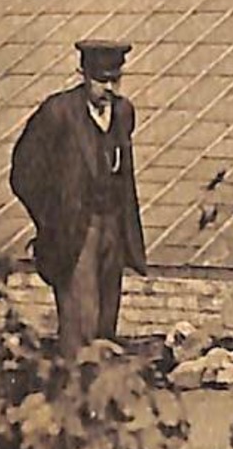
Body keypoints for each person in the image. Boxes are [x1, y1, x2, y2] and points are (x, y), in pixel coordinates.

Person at [10, 41, 148, 358]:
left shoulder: (124, 112)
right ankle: (75, 393)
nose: (110, 88)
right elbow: (23, 173)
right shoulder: (58, 113)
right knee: (79, 321)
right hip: (75, 231)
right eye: (102, 80)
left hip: (112, 223)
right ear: (82, 74)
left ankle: (101, 395)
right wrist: (54, 220)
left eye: (116, 79)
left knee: (105, 319)